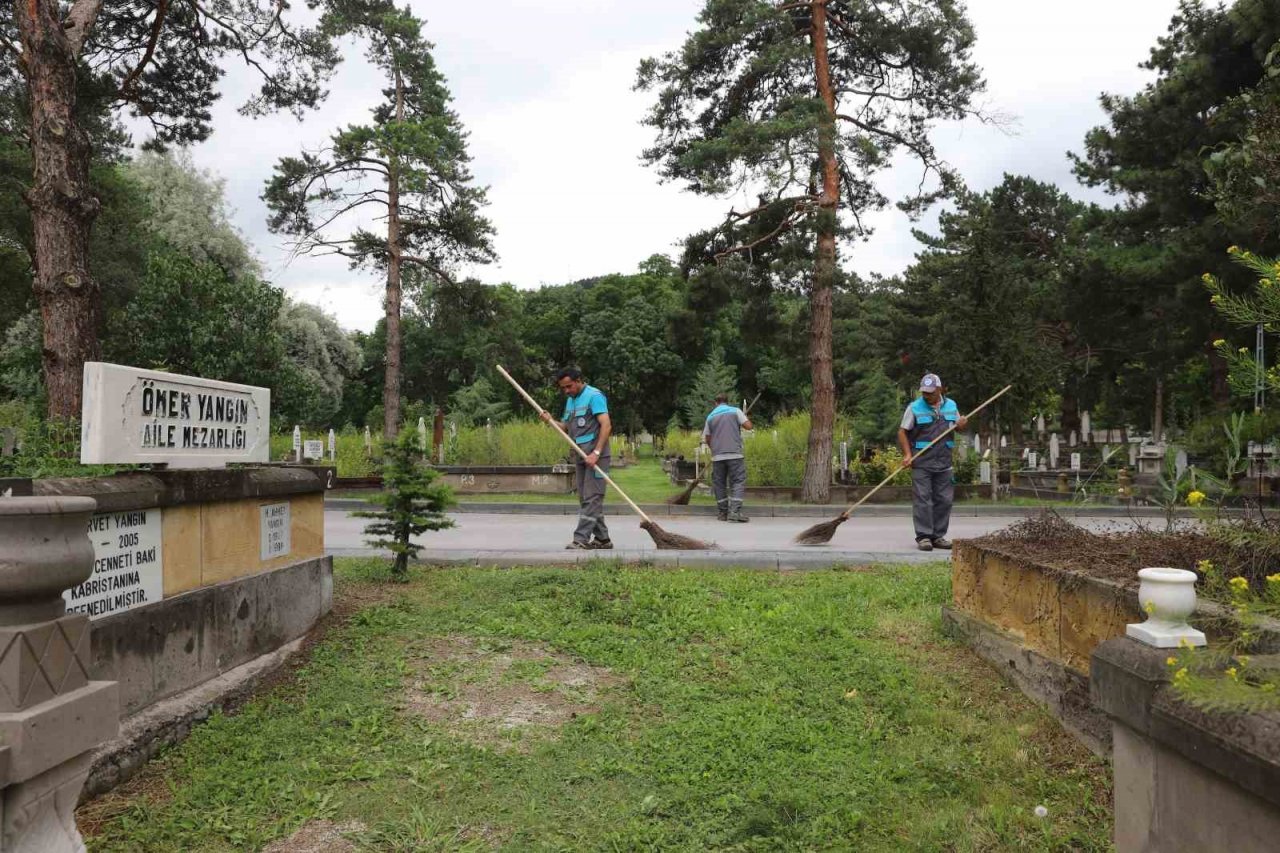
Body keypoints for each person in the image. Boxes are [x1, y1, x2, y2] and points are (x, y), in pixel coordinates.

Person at [541, 367, 613, 550]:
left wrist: (596, 453)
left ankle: (580, 539)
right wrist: (549, 421)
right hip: (580, 456)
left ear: (579, 380)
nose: (567, 391)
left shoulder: (594, 396)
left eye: (569, 386)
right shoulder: (571, 401)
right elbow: (565, 427)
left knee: (592, 497)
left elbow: (606, 425)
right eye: (563, 388)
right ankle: (603, 539)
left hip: (597, 456)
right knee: (585, 498)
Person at [898, 373, 967, 551]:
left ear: (939, 389)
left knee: (944, 500)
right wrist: (907, 455)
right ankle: (924, 536)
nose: (926, 395)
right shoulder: (914, 407)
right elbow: (902, 432)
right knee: (923, 500)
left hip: (944, 461)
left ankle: (938, 536)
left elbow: (958, 428)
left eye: (930, 392)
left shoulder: (952, 406)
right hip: (921, 461)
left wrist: (961, 425)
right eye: (924, 392)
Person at [702, 393, 753, 522]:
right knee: (737, 481)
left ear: (716, 403)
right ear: (727, 402)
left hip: (718, 455)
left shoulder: (710, 417)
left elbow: (707, 437)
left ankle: (723, 513)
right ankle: (734, 512)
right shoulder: (735, 411)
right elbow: (748, 426)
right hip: (734, 453)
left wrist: (714, 448)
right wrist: (744, 418)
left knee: (719, 484)